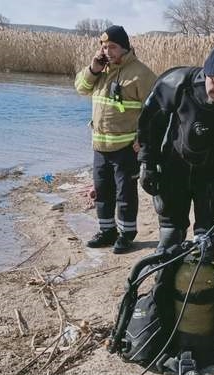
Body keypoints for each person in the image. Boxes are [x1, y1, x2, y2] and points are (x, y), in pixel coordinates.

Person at [136, 38, 214, 255]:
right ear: (206, 73)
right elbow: (150, 123)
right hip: (173, 169)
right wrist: (147, 162)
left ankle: (205, 286)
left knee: (209, 245)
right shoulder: (178, 82)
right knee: (170, 240)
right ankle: (163, 288)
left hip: (212, 177)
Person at [75, 25, 156, 254]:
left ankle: (127, 235)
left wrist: (145, 140)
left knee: (125, 194)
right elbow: (80, 87)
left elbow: (157, 110)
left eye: (112, 47)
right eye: (104, 46)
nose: (107, 51)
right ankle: (107, 231)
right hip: (100, 146)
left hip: (126, 147)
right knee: (102, 192)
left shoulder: (141, 74)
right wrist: (93, 68)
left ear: (125, 48)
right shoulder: (100, 69)